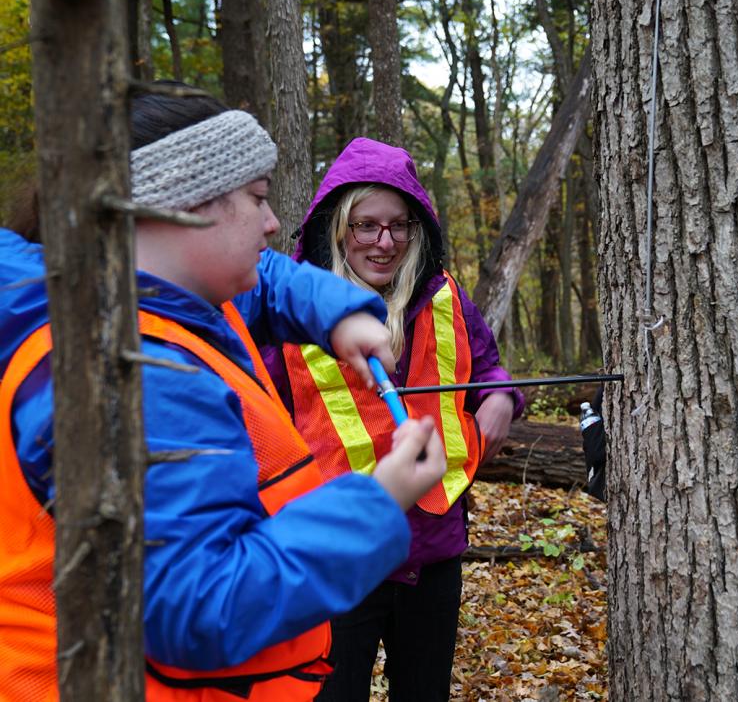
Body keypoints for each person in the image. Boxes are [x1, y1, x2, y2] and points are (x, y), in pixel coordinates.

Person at [0, 84, 449, 701]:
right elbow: (203, 608)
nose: (272, 223)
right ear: (175, 208)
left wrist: (341, 312)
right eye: (258, 199)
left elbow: (268, 279)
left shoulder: (138, 291)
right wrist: (377, 501)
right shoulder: (134, 378)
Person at [259, 137, 523, 702]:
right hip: (338, 552)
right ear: (338, 227)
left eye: (399, 226)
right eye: (366, 226)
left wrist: (502, 397)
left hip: (432, 547)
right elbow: (256, 424)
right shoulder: (287, 310)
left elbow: (489, 369)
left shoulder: (446, 296)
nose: (384, 242)